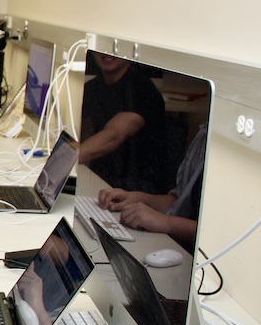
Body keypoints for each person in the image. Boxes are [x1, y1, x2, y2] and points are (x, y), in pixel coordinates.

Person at [97, 123, 208, 251]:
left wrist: (167, 223)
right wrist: (139, 198)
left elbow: (216, 234)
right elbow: (180, 201)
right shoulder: (204, 134)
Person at [78, 53, 168, 193]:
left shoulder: (142, 90)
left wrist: (65, 161)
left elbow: (113, 137)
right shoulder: (91, 88)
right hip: (98, 180)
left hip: (134, 191)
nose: (106, 53)